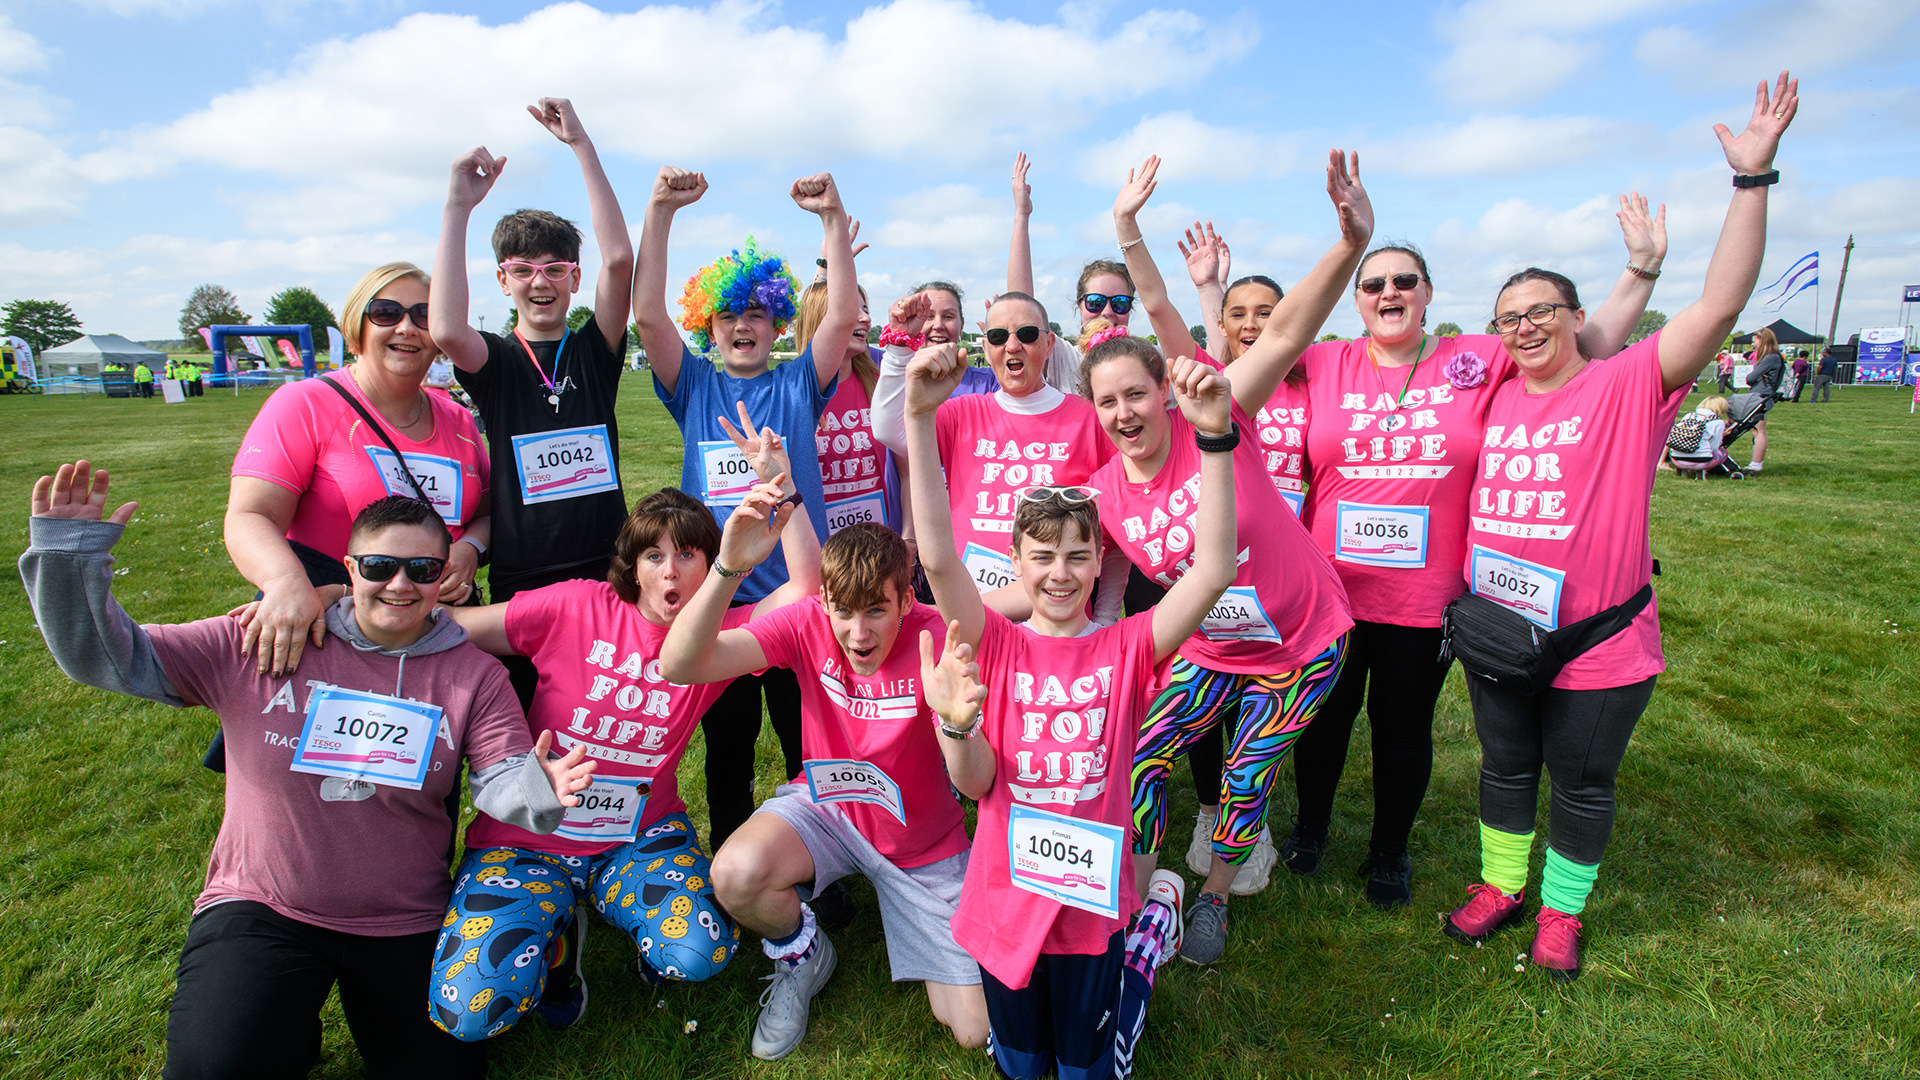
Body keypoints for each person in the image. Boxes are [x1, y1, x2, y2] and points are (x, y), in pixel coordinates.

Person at [21, 471, 594, 1078]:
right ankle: (281, 1031)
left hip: (401, 916)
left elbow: (502, 770)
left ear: (444, 578)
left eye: (422, 570)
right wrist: (69, 557)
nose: (399, 585)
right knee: (214, 1069)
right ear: (349, 569)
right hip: (265, 906)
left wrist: (539, 787)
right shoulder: (268, 635)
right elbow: (113, 657)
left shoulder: (473, 675)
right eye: (379, 567)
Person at [1441, 73, 1798, 981]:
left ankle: (1561, 911)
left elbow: (1719, 307)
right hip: (1497, 627)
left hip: (1600, 637)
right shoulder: (1492, 398)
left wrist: (1750, 182)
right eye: (1508, 317)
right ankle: (1501, 885)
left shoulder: (1625, 383)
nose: (1523, 328)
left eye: (1541, 313)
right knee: (1504, 769)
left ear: (1574, 319)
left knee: (1583, 780)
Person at [1274, 193, 1665, 908]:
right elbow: (1258, 341)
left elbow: (1589, 350)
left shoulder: (1478, 358)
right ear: (1356, 300)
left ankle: (1389, 851)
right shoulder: (1324, 362)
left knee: (1401, 729)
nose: (1388, 292)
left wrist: (1637, 274)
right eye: (1373, 283)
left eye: (1403, 281)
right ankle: (1310, 829)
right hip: (1329, 592)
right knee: (1323, 722)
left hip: (1422, 600)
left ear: (1427, 295)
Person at [904, 337, 1237, 1079]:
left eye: (1078, 556)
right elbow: (937, 562)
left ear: (1099, 563)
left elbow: (1213, 570)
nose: (1060, 574)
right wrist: (922, 420)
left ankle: (1148, 936)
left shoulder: (1127, 646)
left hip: (1092, 912)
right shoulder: (993, 643)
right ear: (1017, 564)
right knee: (1021, 1067)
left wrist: (1213, 438)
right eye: (1043, 557)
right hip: (1006, 904)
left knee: (1090, 1070)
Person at [428, 430, 821, 1039]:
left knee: (702, 951)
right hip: (527, 835)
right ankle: (559, 948)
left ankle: (629, 924)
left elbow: (805, 591)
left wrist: (784, 488)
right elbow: (460, 627)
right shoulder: (573, 607)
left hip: (638, 837)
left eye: (689, 555)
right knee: (468, 1013)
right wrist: (346, 603)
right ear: (632, 568)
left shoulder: (720, 638)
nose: (671, 572)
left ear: (713, 565)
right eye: (655, 557)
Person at [1091, 152, 1359, 961]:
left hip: (1300, 641)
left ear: (1163, 392)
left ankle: (1213, 897)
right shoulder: (1104, 492)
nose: (1124, 412)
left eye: (1137, 394)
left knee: (1246, 775)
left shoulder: (1217, 418)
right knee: (1142, 753)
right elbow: (1056, 578)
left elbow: (1279, 330)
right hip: (1211, 646)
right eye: (1106, 401)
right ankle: (1132, 893)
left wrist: (1350, 244)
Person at [659, 523, 988, 1061]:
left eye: (876, 610)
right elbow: (680, 665)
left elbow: (974, 785)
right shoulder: (806, 621)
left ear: (907, 599)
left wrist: (956, 724)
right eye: (844, 611)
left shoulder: (938, 644)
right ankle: (801, 953)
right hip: (827, 809)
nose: (858, 634)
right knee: (734, 874)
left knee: (973, 1029)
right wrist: (727, 568)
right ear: (824, 602)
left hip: (921, 845)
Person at [635, 166, 859, 855]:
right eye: (728, 316)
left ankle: (814, 862)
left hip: (797, 602)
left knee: (805, 748)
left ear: (776, 321)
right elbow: (646, 315)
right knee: (727, 755)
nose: (742, 326)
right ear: (710, 324)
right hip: (719, 602)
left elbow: (844, 316)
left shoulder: (798, 381)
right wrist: (661, 213)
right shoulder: (694, 384)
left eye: (756, 314)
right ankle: (733, 856)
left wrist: (831, 219)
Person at [430, 97, 635, 709]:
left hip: (608, 562)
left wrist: (581, 145)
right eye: (522, 269)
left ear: (575, 278)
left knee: (604, 710)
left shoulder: (595, 351)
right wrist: (458, 205)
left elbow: (621, 259)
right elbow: (445, 329)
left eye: (555, 268)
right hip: (523, 573)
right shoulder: (494, 362)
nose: (540, 281)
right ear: (502, 280)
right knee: (529, 722)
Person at [228, 261, 491, 680]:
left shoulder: (458, 418)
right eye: (387, 313)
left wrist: (468, 549)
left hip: (430, 631)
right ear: (358, 325)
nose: (407, 327)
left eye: (424, 315)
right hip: (325, 624)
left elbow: (487, 510)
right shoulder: (305, 403)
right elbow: (250, 515)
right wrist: (284, 582)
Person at [869, 290, 1128, 617]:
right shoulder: (962, 413)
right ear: (987, 348)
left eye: (1028, 335)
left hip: (1056, 624)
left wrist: (1104, 619)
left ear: (1049, 345)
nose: (1013, 345)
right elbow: (891, 429)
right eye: (998, 336)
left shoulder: (1088, 419)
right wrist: (898, 349)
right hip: (970, 619)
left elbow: (1115, 538)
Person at [1666, 395, 1730, 470]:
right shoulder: (1718, 422)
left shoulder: (1688, 416)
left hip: (1676, 459)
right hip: (1701, 461)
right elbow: (1714, 447)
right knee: (1722, 453)